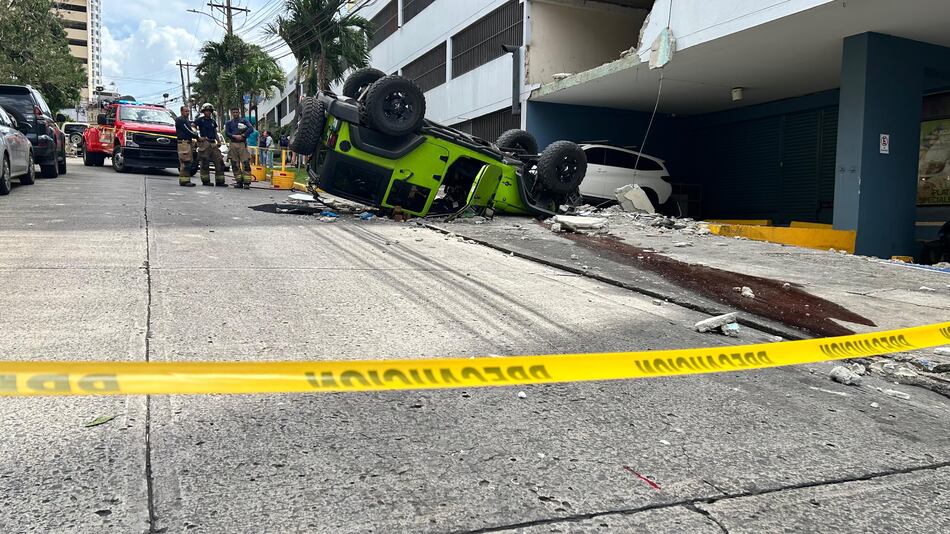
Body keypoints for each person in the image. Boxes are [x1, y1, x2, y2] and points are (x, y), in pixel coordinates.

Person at [193, 103, 227, 186]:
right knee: (204, 163)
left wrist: (218, 141)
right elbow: (193, 127)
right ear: (203, 111)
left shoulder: (212, 122)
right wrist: (197, 137)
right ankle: (206, 181)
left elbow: (215, 132)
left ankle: (220, 181)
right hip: (204, 143)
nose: (208, 112)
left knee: (219, 162)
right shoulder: (200, 120)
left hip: (213, 144)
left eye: (209, 111)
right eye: (206, 111)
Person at [224, 107, 255, 189]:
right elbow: (226, 133)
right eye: (233, 112)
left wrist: (243, 135)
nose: (235, 114)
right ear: (231, 113)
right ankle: (239, 182)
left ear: (239, 112)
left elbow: (251, 128)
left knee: (245, 163)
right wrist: (234, 136)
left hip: (242, 144)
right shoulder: (229, 123)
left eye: (236, 112)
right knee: (234, 164)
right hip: (233, 144)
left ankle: (247, 183)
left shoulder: (244, 121)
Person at [174, 105, 198, 187]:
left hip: (188, 143)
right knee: (185, 162)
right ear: (181, 111)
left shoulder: (186, 120)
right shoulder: (180, 120)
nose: (187, 113)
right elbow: (188, 131)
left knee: (188, 162)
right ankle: (184, 181)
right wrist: (197, 137)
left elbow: (191, 130)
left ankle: (186, 180)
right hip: (183, 143)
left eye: (188, 111)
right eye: (186, 111)